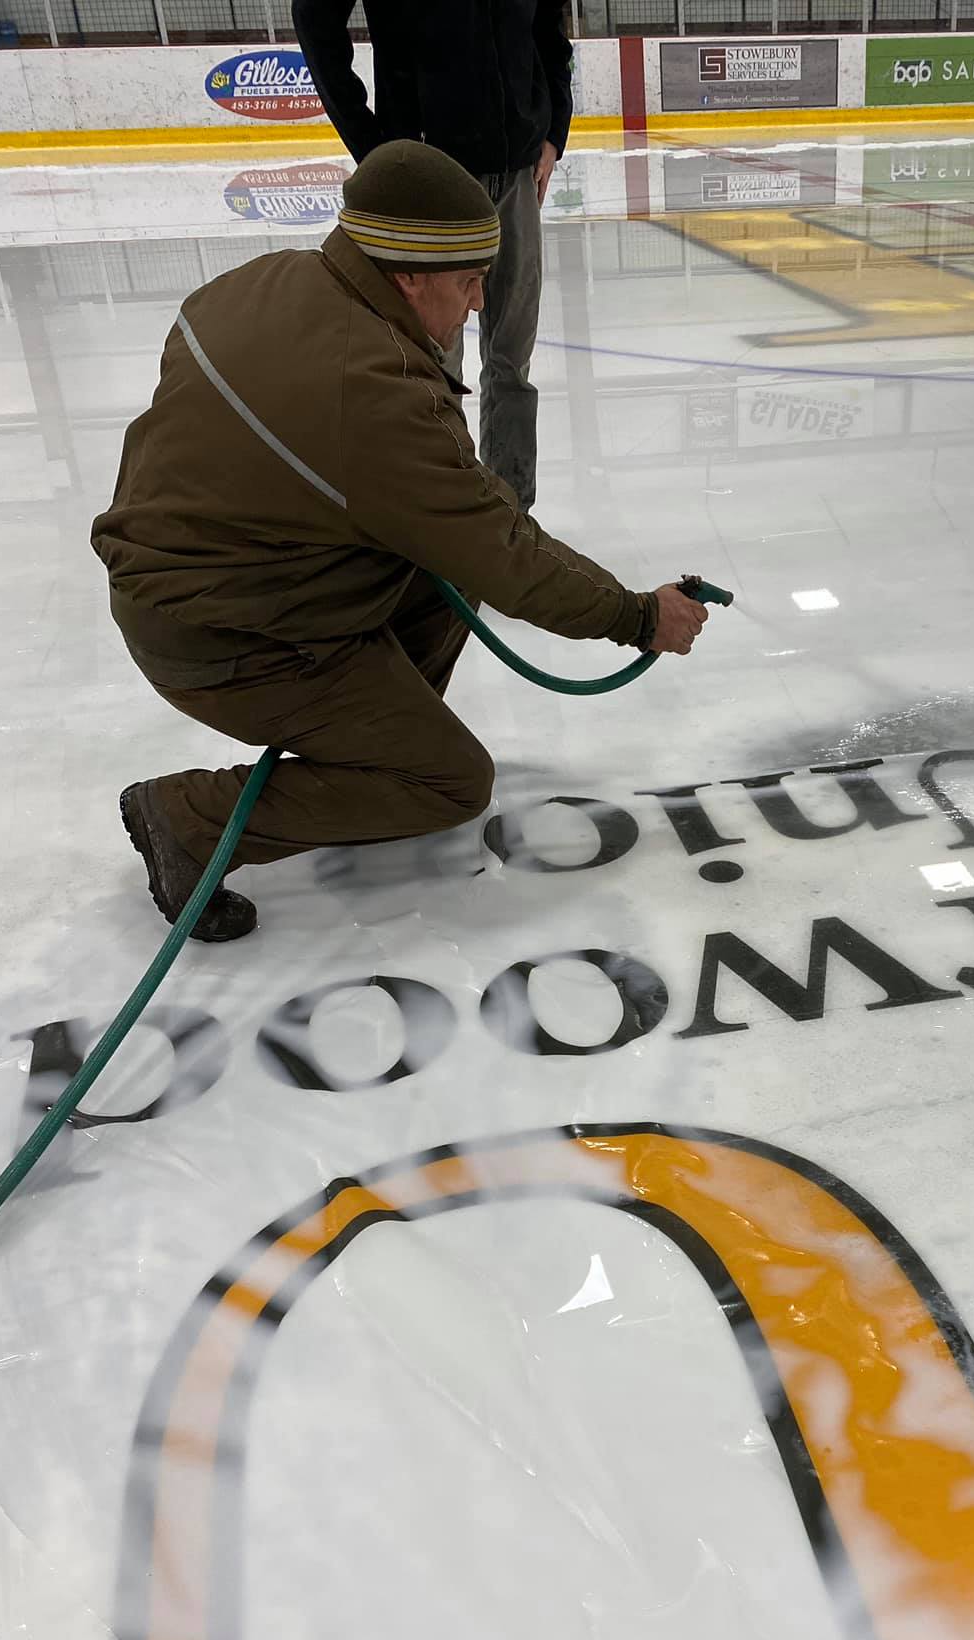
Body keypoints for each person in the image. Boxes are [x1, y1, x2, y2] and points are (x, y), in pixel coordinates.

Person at [91, 140, 706, 945]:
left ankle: (367, 728)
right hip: (224, 638)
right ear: (409, 273)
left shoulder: (258, 282)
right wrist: (636, 617)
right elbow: (506, 554)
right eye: (467, 281)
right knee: (450, 781)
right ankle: (190, 817)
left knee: (439, 572)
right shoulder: (375, 390)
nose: (479, 303)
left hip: (202, 584)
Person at [293, 0, 570, 511]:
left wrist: (555, 129)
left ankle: (510, 511)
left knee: (512, 362)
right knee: (432, 363)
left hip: (518, 175)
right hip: (430, 177)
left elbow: (549, 28)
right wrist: (374, 144)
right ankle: (443, 513)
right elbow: (315, 16)